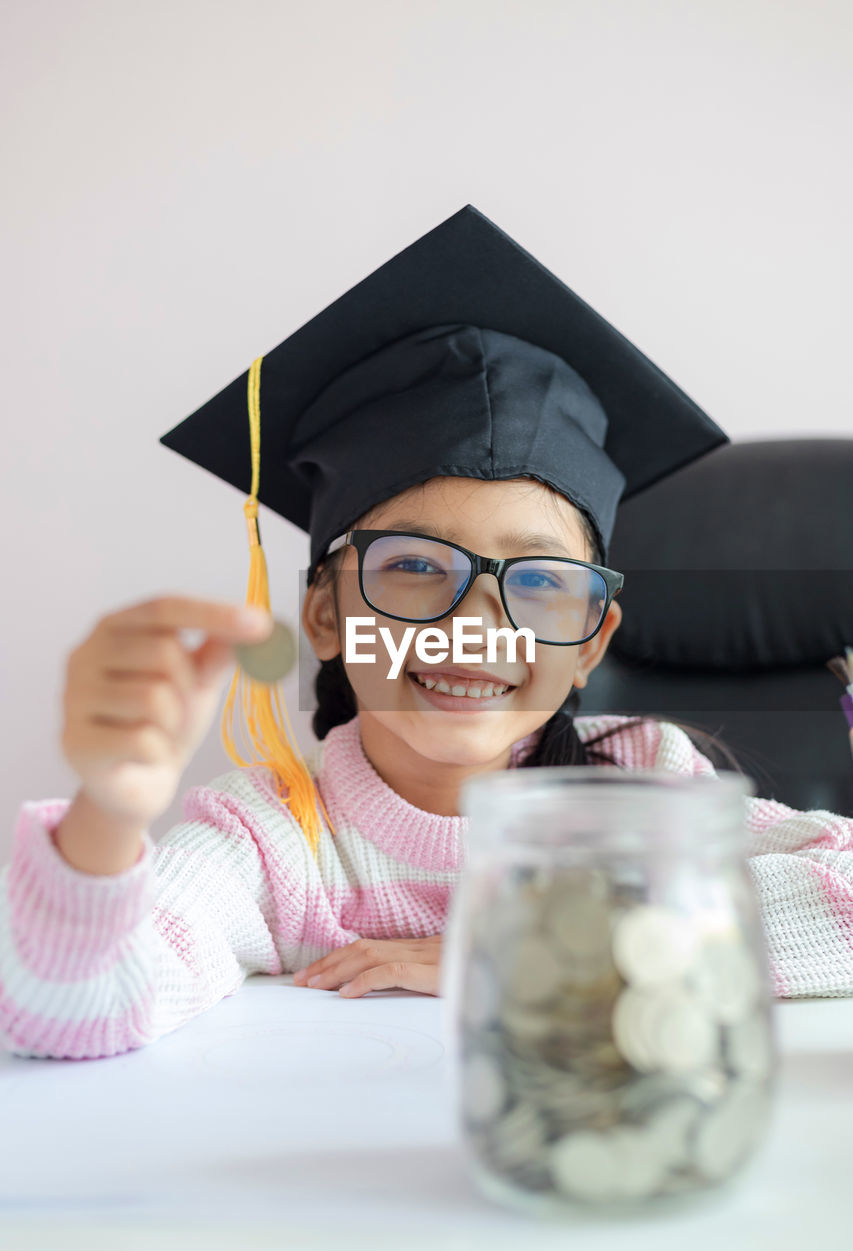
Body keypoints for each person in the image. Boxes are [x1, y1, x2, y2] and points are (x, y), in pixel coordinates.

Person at [2, 206, 852, 1063]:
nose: (476, 625)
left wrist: (526, 953)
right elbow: (72, 1011)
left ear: (591, 642)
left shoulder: (640, 789)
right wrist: (107, 811)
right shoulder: (273, 839)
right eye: (414, 568)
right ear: (326, 616)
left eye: (541, 582)